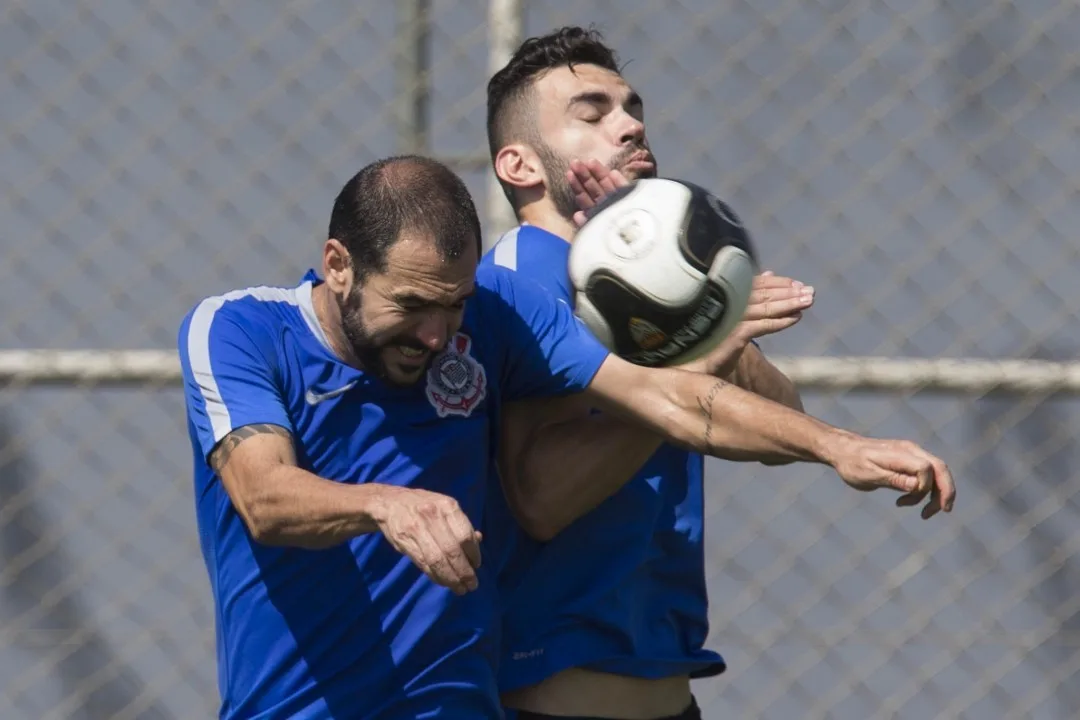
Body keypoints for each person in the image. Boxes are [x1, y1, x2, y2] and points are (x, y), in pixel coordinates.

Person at [178, 154, 954, 719]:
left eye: (453, 304)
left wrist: (834, 445)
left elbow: (664, 397)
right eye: (412, 304)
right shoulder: (241, 330)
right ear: (338, 264)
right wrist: (387, 505)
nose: (438, 333)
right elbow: (264, 494)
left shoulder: (497, 312)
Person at [481, 26, 948, 720]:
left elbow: (769, 408)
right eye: (593, 111)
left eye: (633, 106)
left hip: (674, 697)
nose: (631, 124)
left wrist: (713, 323)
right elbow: (542, 500)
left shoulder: (645, 286)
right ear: (519, 166)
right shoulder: (523, 276)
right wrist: (832, 443)